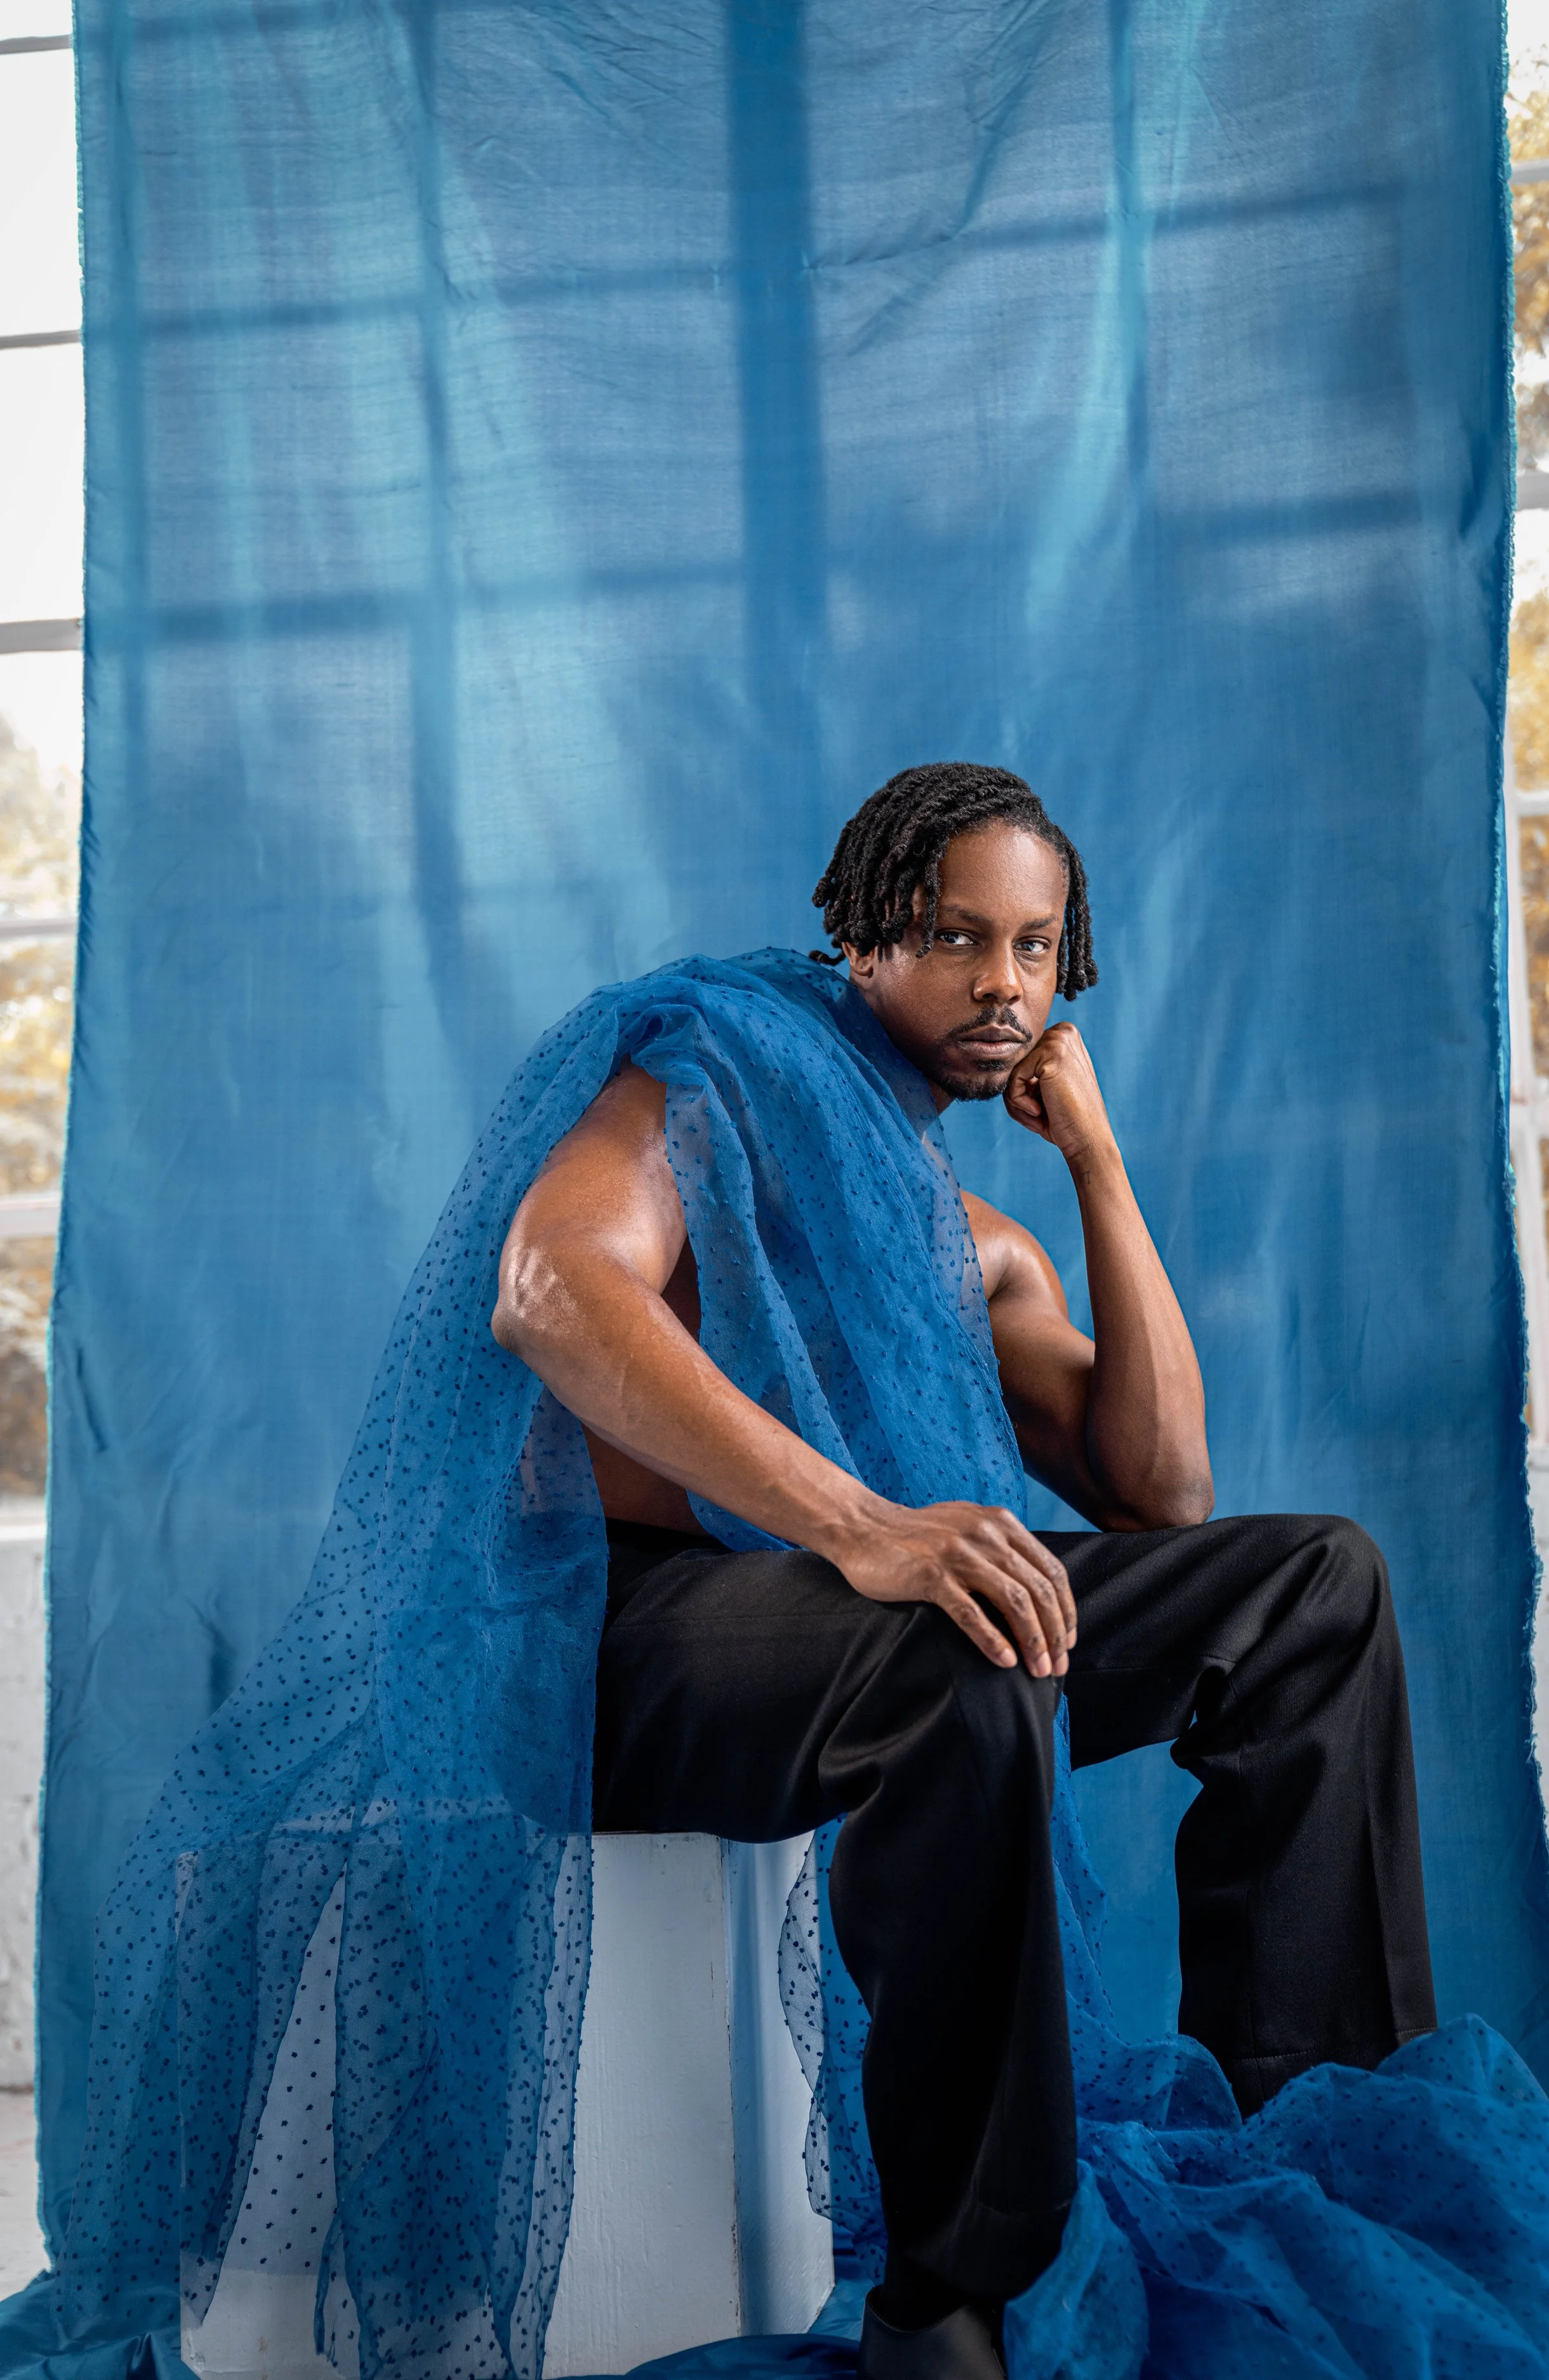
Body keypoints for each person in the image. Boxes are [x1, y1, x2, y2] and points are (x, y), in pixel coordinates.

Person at [489, 762, 1439, 2380]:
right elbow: (549, 1288)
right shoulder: (712, 1078)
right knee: (952, 1635)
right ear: (862, 937)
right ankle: (952, 2292)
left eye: (1032, 946)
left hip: (848, 1621)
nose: (1001, 983)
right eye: (951, 936)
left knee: (1311, 1589)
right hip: (623, 1629)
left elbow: (1159, 1492)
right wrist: (859, 1526)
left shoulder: (967, 1238)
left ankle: (1293, 2151)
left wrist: (1095, 1165)